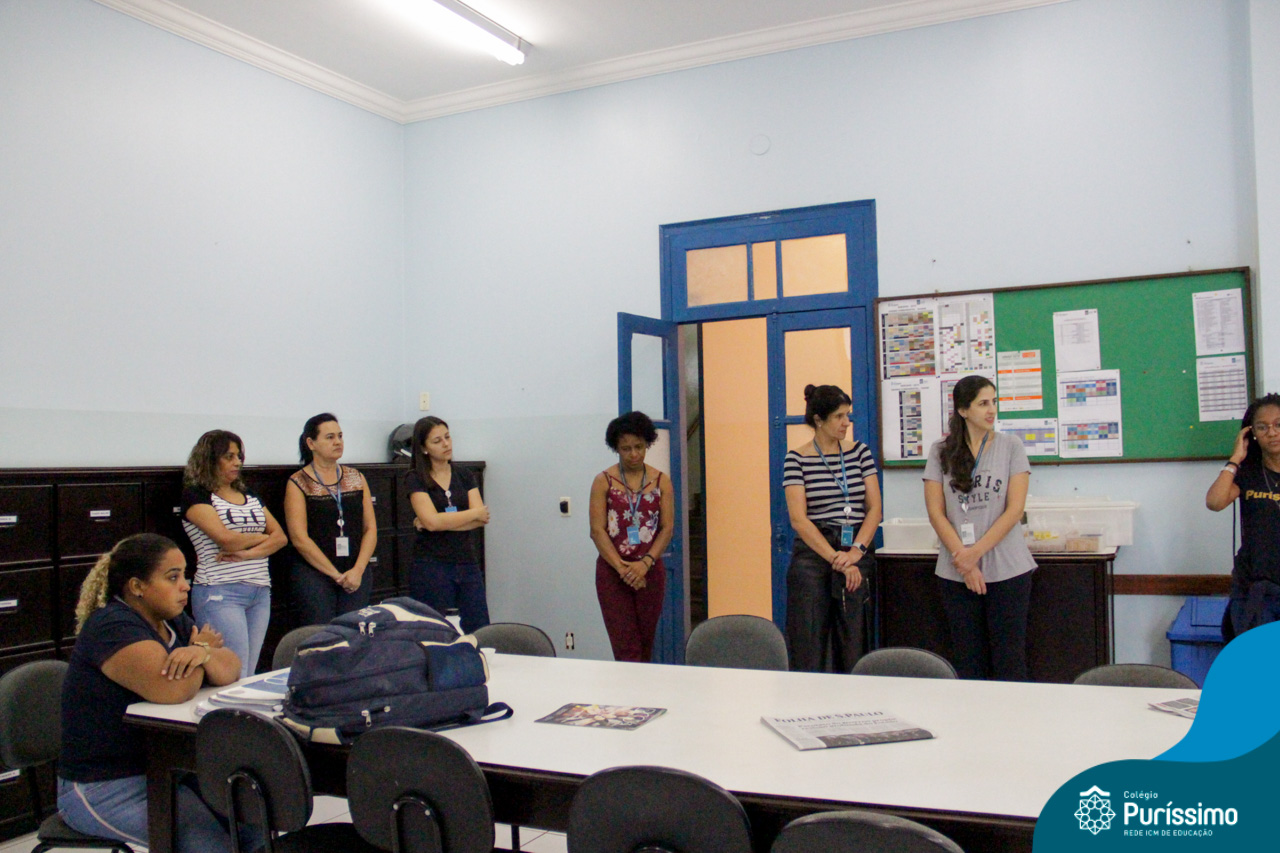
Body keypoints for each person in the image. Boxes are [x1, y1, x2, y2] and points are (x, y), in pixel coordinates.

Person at [58, 533, 243, 852]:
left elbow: (231, 668)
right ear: (137, 587)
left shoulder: (173, 622)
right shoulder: (111, 626)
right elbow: (172, 688)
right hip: (104, 785)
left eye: (184, 575)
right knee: (212, 846)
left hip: (165, 770)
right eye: (173, 577)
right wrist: (203, 650)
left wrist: (199, 653)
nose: (185, 586)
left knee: (250, 828)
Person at [923, 374, 1036, 681]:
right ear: (963, 410)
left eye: (994, 402)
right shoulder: (940, 451)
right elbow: (936, 512)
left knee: (1009, 660)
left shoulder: (1011, 446)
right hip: (956, 571)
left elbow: (1015, 510)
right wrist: (964, 559)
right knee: (968, 661)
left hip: (1007, 569)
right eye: (983, 403)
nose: (992, 410)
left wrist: (974, 555)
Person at [783, 385, 881, 673]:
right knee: (809, 638)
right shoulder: (796, 458)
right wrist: (835, 558)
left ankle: (854, 695)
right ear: (818, 420)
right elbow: (799, 519)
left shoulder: (860, 453)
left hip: (855, 545)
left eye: (847, 415)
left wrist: (855, 553)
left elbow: (874, 509)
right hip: (815, 552)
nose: (846, 423)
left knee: (854, 638)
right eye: (839, 416)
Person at [181, 429, 286, 678]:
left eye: (239, 456)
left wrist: (247, 554)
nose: (237, 462)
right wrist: (262, 538)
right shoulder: (197, 495)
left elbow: (281, 538)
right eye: (229, 457)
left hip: (259, 590)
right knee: (233, 673)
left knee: (248, 672)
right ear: (210, 459)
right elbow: (225, 540)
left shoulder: (249, 495)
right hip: (220, 591)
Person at [589, 411, 675, 663]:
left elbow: (667, 528)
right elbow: (597, 531)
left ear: (647, 444)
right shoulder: (603, 481)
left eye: (639, 447)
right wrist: (623, 569)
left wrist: (645, 564)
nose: (634, 454)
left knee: (646, 644)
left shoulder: (661, 481)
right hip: (613, 572)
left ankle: (643, 690)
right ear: (616, 448)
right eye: (626, 449)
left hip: (649, 571)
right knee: (625, 647)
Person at [284, 413, 377, 625]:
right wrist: (335, 575)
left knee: (353, 631)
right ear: (311, 443)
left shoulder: (356, 477)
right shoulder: (298, 482)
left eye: (340, 436)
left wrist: (358, 570)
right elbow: (299, 538)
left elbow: (370, 528)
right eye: (330, 437)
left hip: (355, 570)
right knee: (323, 632)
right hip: (316, 573)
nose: (338, 442)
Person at [406, 416, 491, 633]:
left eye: (447, 437)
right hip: (431, 565)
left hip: (466, 562)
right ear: (424, 448)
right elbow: (433, 522)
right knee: (435, 630)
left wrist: (437, 521)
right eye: (437, 441)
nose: (446, 444)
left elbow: (481, 519)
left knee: (479, 628)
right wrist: (470, 514)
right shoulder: (415, 478)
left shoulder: (464, 474)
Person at [1206, 392, 1280, 636]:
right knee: (1255, 658)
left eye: (1278, 424)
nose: (1272, 432)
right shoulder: (1247, 473)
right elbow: (1215, 502)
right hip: (1254, 591)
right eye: (1263, 427)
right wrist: (1235, 459)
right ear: (1252, 434)